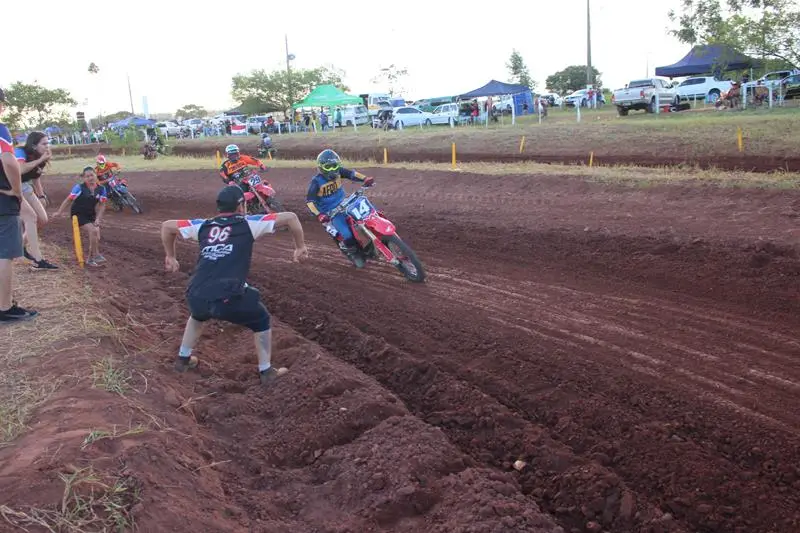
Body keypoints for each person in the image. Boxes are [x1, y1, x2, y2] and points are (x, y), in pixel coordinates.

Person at [160, 185, 309, 386]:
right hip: (227, 295)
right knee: (261, 319)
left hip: (195, 292)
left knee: (198, 315)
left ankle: (183, 359)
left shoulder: (203, 225)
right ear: (241, 206)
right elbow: (291, 217)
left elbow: (167, 226)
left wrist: (170, 256)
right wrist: (300, 247)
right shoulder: (248, 223)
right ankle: (266, 371)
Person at [0, 87, 38, 322]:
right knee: (5, 254)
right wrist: (16, 190)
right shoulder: (1, 130)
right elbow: (8, 160)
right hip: (4, 200)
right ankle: (4, 308)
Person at [305, 149, 374, 267]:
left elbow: (352, 174)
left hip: (346, 203)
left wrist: (365, 179)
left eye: (334, 166)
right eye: (328, 167)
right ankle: (355, 254)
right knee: (347, 234)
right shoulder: (316, 182)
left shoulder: (339, 172)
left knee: (369, 214)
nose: (332, 170)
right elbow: (310, 202)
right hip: (331, 213)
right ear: (321, 167)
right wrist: (320, 215)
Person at [15, 131, 58, 270]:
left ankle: (19, 247)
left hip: (25, 186)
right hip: (10, 185)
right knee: (31, 217)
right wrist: (40, 160)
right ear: (34, 146)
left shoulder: (41, 157)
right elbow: (20, 169)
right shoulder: (20, 152)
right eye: (44, 143)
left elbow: (36, 177)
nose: (47, 146)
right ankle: (38, 260)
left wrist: (41, 196)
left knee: (43, 219)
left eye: (48, 143)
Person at [53, 167, 107, 267]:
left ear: (96, 175)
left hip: (91, 215)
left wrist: (98, 218)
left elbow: (102, 205)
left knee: (96, 236)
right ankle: (96, 255)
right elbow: (68, 200)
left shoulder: (101, 189)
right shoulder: (79, 188)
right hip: (78, 215)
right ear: (84, 178)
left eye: (92, 175)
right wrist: (59, 212)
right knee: (93, 231)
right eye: (87, 176)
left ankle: (91, 259)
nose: (90, 178)